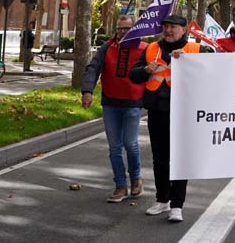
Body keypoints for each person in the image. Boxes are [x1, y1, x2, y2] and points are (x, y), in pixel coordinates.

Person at [129, 14, 200, 222]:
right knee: (160, 159)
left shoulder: (195, 50)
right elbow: (134, 75)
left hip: (183, 112)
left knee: (179, 158)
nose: (169, 30)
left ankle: (177, 205)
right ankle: (162, 199)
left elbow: (216, 67)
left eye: (173, 27)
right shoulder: (151, 48)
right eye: (166, 27)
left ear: (184, 30)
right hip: (157, 110)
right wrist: (144, 70)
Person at [81, 15, 147, 203]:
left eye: (127, 28)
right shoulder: (107, 47)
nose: (123, 32)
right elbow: (93, 68)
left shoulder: (145, 48)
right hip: (110, 103)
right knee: (114, 147)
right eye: (120, 29)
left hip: (133, 103)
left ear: (135, 29)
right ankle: (120, 185)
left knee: (130, 144)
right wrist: (87, 91)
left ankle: (135, 179)